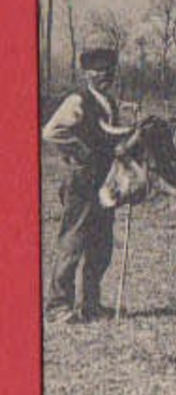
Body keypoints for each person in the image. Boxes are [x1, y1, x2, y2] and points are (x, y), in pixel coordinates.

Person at [41, 45, 133, 323]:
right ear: (87, 74)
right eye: (100, 71)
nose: (106, 76)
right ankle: (58, 305)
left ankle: (91, 303)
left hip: (105, 182)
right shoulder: (77, 100)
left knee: (101, 244)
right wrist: (81, 152)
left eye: (110, 71)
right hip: (82, 182)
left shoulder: (109, 102)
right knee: (73, 240)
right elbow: (51, 132)